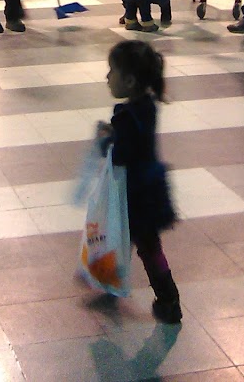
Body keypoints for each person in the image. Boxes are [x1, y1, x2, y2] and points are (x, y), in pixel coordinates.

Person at [96, 40, 180, 324]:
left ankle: (168, 300)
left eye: (112, 71)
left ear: (129, 80)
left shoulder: (125, 115)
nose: (107, 77)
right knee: (141, 243)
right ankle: (115, 285)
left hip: (134, 195)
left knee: (139, 243)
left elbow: (121, 155)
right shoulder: (147, 106)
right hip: (150, 188)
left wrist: (105, 140)